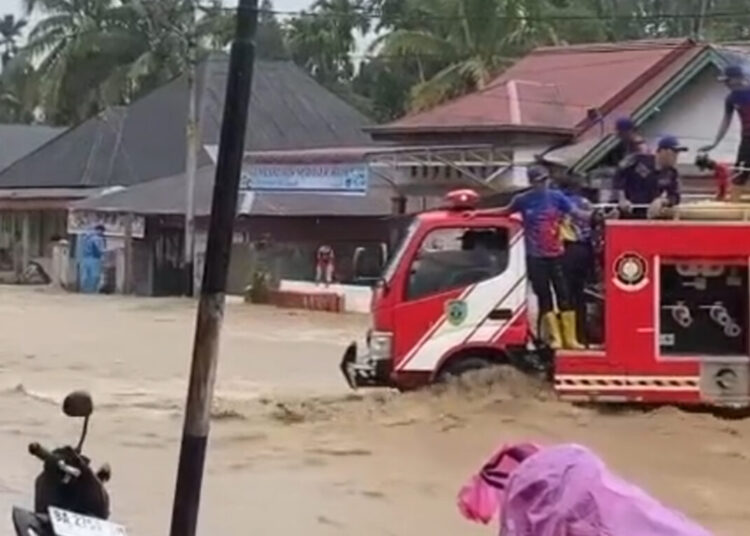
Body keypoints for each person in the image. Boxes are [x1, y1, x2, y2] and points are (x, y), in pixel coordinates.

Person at [496, 165, 587, 350]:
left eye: (545, 180)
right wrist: (475, 214)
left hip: (557, 254)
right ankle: (555, 338)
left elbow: (577, 213)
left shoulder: (557, 197)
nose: (543, 184)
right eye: (539, 181)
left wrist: (596, 217)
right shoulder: (522, 200)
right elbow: (503, 212)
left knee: (564, 295)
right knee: (544, 296)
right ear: (531, 182)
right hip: (535, 256)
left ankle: (571, 338)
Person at [700, 64, 750, 201]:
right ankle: (734, 204)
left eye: (728, 80)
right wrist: (715, 143)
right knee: (741, 171)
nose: (726, 84)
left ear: (738, 79)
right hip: (747, 138)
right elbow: (726, 121)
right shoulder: (731, 99)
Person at [557, 178, 594, 345]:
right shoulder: (586, 203)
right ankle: (582, 335)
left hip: (566, 249)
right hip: (585, 250)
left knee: (565, 295)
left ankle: (566, 337)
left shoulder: (559, 202)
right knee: (580, 295)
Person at [613, 135, 685, 219]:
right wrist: (621, 198)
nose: (676, 157)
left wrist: (662, 201)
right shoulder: (637, 161)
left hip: (649, 216)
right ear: (662, 151)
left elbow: (675, 196)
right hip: (626, 213)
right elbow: (617, 175)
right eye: (674, 152)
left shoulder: (671, 173)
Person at [78, 225, 106, 293]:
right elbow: (99, 249)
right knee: (94, 276)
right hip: (95, 258)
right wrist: (103, 254)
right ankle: (92, 291)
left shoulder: (86, 237)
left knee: (85, 275)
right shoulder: (98, 239)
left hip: (85, 258)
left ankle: (84, 290)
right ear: (100, 230)